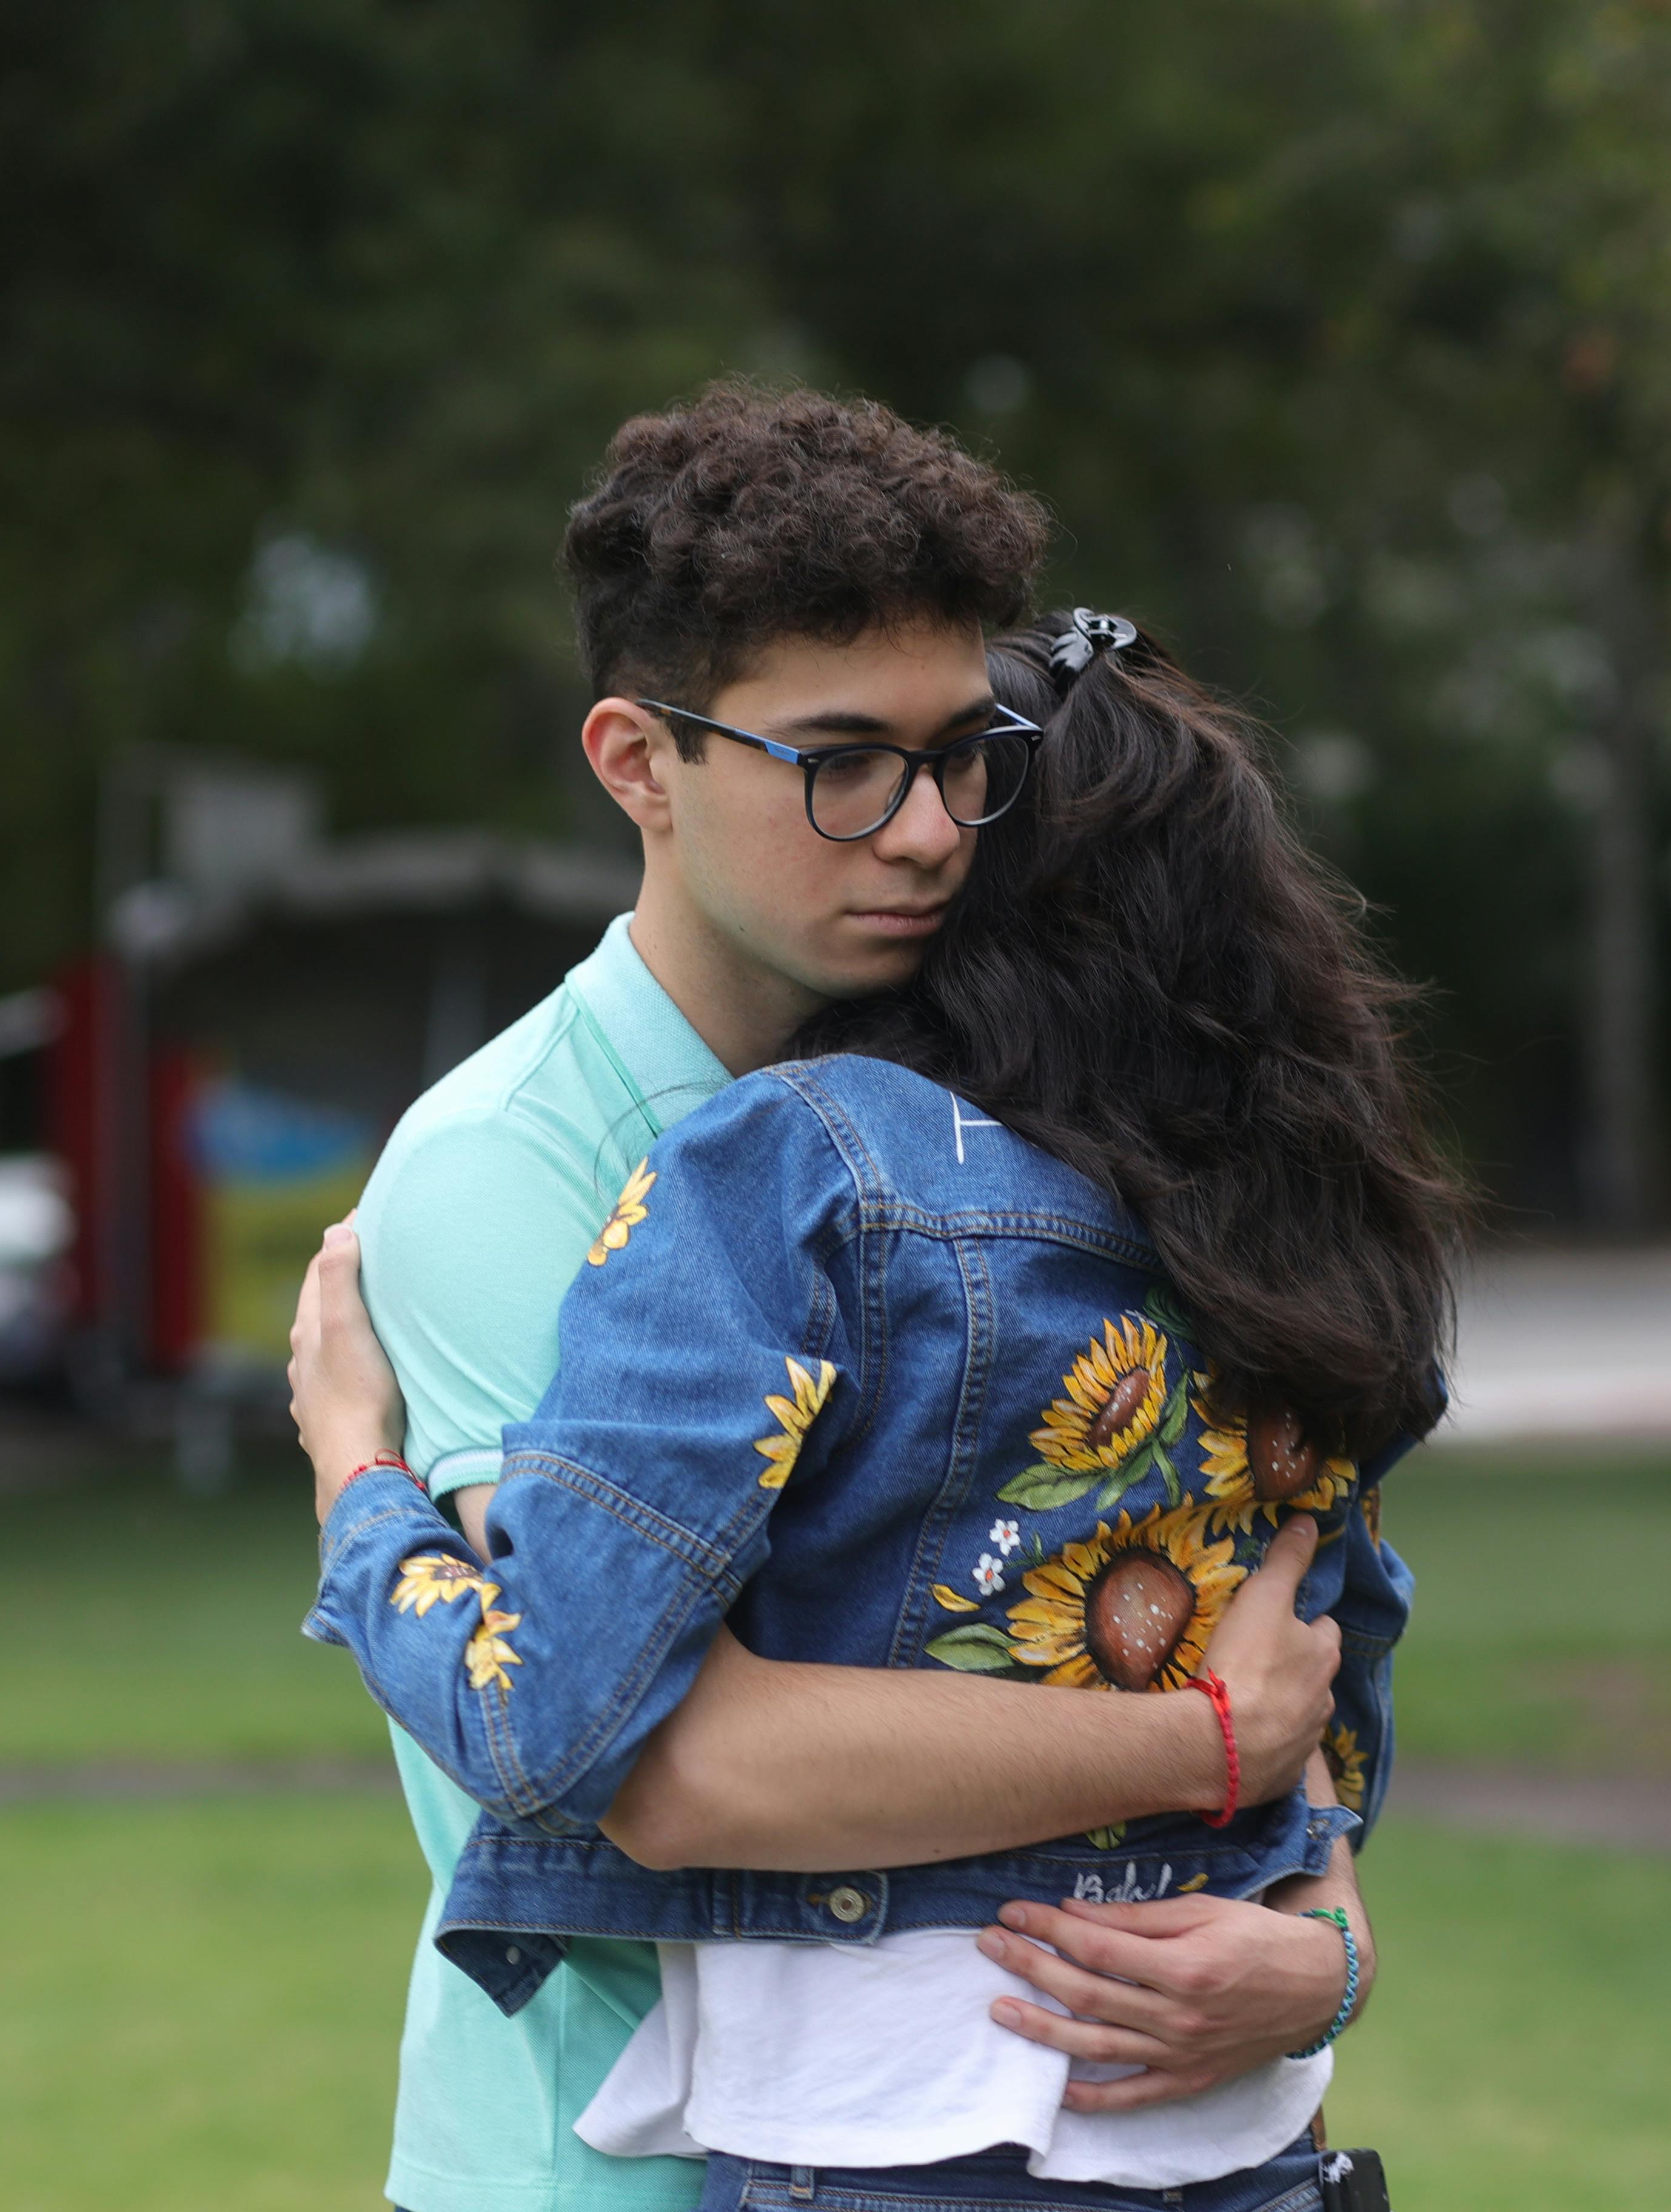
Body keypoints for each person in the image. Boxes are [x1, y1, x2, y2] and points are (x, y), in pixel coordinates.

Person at [293, 386, 1421, 2212]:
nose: (921, 833)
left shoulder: (997, 1129)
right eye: (839, 762)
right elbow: (655, 1757)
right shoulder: (512, 1162)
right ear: (639, 764)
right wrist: (1207, 1746)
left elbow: (1260, 1606)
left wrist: (1324, 1950)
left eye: (962, 754)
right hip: (605, 2174)